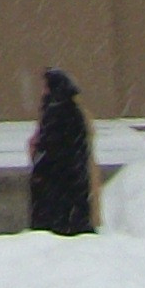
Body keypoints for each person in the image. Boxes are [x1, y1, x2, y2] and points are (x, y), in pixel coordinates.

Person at [26, 66, 96, 236]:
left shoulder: (58, 114)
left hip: (58, 189)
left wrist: (38, 153)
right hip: (69, 187)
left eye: (46, 87)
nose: (42, 92)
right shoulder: (70, 112)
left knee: (55, 232)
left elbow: (53, 149)